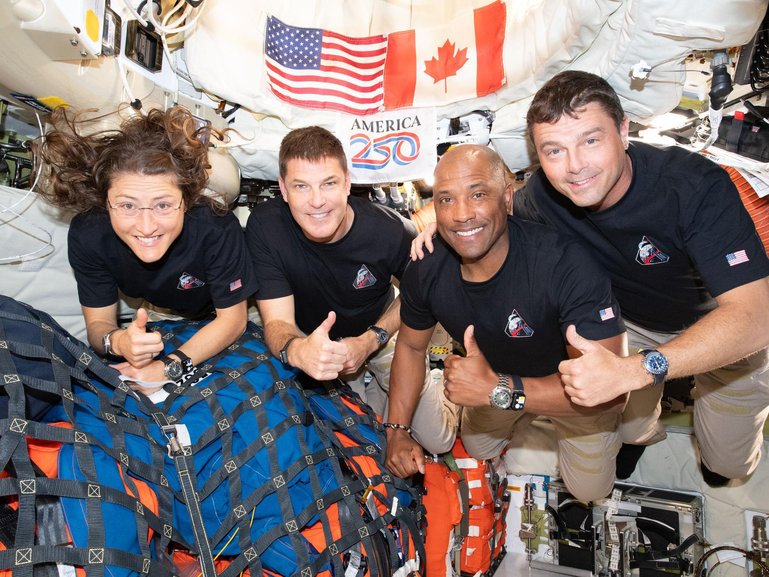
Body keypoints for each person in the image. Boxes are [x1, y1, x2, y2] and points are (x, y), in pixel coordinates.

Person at [414, 70, 769, 486]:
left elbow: (756, 317)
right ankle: (644, 431)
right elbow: (487, 208)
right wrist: (436, 221)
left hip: (722, 327)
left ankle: (710, 449)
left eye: (591, 140)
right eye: (554, 150)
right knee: (632, 426)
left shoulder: (692, 187)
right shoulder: (544, 195)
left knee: (728, 466)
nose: (575, 167)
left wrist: (639, 370)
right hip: (628, 324)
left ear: (623, 130)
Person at [387, 144, 628, 502]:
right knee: (479, 447)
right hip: (493, 383)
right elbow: (409, 345)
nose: (461, 215)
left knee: (590, 492)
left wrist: (499, 389)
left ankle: (613, 429)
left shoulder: (565, 265)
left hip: (573, 394)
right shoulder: (427, 268)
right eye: (446, 200)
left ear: (508, 198)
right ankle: (508, 409)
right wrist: (396, 430)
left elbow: (612, 394)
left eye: (478, 194)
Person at [244, 126, 456, 455]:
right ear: (283, 190)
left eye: (328, 183)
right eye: (301, 186)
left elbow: (418, 295)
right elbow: (277, 323)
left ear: (346, 183)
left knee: (438, 441)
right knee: (351, 438)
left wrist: (371, 339)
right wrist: (300, 351)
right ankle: (375, 390)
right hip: (317, 341)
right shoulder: (266, 226)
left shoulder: (389, 230)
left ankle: (431, 378)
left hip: (379, 330)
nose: (316, 201)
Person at [36, 106, 256, 386]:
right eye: (127, 205)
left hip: (235, 309)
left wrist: (169, 368)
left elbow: (232, 321)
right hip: (162, 312)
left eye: (163, 205)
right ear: (106, 203)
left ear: (186, 201)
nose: (146, 226)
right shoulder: (89, 234)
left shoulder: (216, 227)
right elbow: (98, 326)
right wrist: (118, 342)